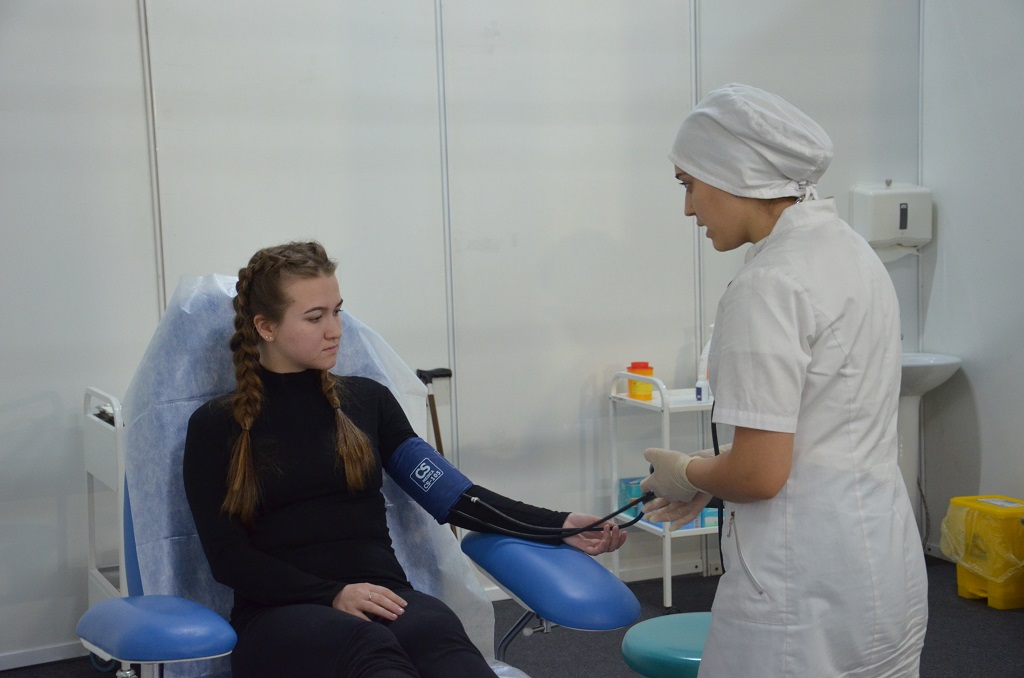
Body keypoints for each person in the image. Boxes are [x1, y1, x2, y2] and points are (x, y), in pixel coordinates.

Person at [182, 241, 625, 678]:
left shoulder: (367, 402)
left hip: (385, 598)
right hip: (278, 616)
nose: (335, 330)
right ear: (266, 327)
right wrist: (332, 593)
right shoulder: (217, 426)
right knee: (368, 647)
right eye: (315, 317)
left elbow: (455, 497)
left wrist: (559, 525)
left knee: (437, 631)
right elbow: (228, 558)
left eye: (337, 311)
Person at [640, 84, 928, 676]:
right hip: (880, 560)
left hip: (802, 580)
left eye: (688, 184)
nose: (688, 209)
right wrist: (714, 475)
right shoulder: (852, 253)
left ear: (731, 173)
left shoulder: (767, 285)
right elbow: (819, 425)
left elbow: (759, 475)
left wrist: (687, 471)